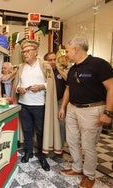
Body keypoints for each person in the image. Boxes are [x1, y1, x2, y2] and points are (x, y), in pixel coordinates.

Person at [58, 36, 113, 188]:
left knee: (88, 145)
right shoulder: (72, 68)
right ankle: (76, 168)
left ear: (76, 49)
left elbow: (111, 88)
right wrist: (63, 107)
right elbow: (68, 88)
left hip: (92, 110)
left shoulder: (99, 64)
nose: (66, 54)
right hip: (72, 109)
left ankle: (89, 175)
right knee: (72, 140)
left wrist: (108, 113)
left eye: (68, 51)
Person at [13, 40, 60, 171]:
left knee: (40, 130)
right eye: (23, 52)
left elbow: (51, 83)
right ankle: (28, 151)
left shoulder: (45, 66)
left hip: (39, 104)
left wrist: (41, 86)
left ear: (36, 52)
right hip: (24, 103)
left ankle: (42, 155)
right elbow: (16, 84)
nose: (25, 54)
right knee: (27, 129)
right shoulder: (21, 67)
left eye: (28, 51)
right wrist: (18, 89)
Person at [44, 52, 67, 148]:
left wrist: (58, 68)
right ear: (45, 61)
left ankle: (60, 146)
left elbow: (67, 79)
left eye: (54, 59)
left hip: (59, 102)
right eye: (50, 60)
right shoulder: (43, 71)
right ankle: (48, 145)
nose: (53, 62)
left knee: (61, 124)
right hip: (47, 102)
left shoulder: (60, 71)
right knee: (47, 124)